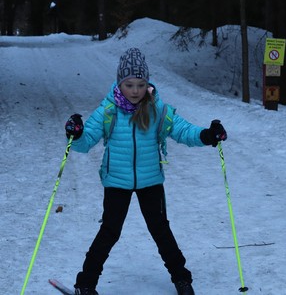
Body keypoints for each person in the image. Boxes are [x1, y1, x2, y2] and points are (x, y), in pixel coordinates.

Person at [65, 48, 227, 295]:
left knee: (160, 229)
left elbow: (183, 130)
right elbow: (85, 142)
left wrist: (206, 135)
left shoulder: (157, 109)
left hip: (150, 180)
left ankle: (182, 279)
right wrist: (75, 133)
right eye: (129, 84)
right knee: (110, 231)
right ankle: (85, 284)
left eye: (140, 84)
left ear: (147, 83)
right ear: (120, 83)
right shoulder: (108, 110)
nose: (135, 90)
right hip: (116, 181)